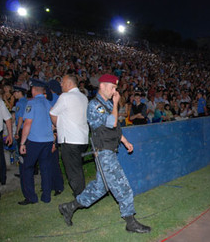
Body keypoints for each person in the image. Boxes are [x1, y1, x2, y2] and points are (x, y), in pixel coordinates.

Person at [58, 74, 151, 233]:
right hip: (104, 153)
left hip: (108, 151)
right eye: (112, 87)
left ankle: (69, 207)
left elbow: (114, 129)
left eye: (116, 87)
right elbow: (111, 122)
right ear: (102, 86)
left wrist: (125, 141)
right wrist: (115, 104)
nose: (115, 91)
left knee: (99, 188)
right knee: (123, 187)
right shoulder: (95, 105)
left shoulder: (107, 105)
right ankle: (130, 222)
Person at [50, 74, 89, 197]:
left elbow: (52, 113)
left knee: (72, 169)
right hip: (82, 138)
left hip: (70, 138)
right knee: (77, 167)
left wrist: (57, 125)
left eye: (63, 82)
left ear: (70, 84)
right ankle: (81, 191)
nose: (61, 84)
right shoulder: (83, 97)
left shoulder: (65, 96)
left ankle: (80, 195)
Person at [18, 79, 54, 205]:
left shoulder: (31, 103)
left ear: (33, 90)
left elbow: (27, 123)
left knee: (27, 168)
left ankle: (31, 197)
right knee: (45, 168)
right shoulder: (48, 103)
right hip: (48, 140)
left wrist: (22, 143)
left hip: (35, 140)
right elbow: (53, 123)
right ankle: (46, 196)